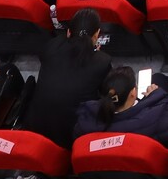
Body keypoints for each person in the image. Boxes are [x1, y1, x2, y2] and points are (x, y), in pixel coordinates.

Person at [30, 10, 112, 146]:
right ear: (97, 34)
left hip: (36, 125)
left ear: (68, 32)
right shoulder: (102, 61)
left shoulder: (51, 46)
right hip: (71, 134)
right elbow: (107, 89)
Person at [75, 66, 168, 145]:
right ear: (133, 93)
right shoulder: (155, 119)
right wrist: (161, 96)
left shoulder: (86, 119)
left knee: (158, 78)